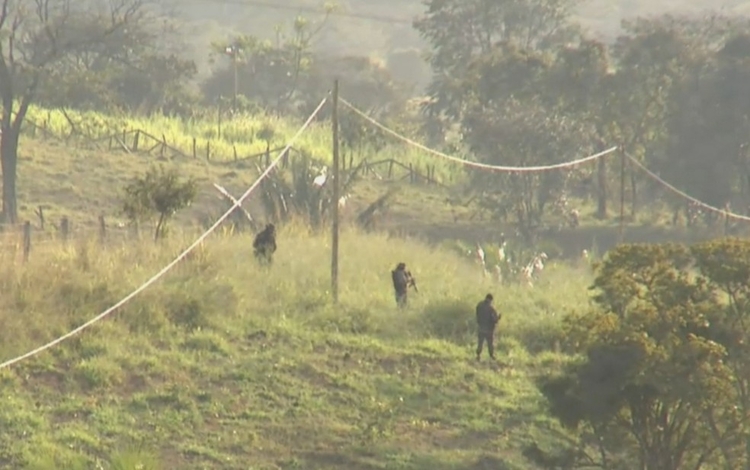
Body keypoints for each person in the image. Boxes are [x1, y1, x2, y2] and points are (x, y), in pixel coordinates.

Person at [475, 293, 500, 360]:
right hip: (489, 330)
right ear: (490, 300)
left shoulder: (479, 305)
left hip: (480, 327)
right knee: (490, 344)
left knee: (480, 343)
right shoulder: (491, 309)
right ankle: (491, 356)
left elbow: (477, 314)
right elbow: (494, 320)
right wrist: (498, 318)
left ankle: (478, 355)